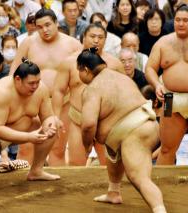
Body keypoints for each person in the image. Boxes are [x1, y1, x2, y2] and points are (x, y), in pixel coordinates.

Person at [77, 48, 166, 213]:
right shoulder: (121, 77)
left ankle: (159, 210)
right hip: (144, 125)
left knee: (139, 178)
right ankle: (113, 192)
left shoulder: (93, 89)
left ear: (86, 70)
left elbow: (88, 124)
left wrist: (87, 145)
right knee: (113, 152)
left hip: (136, 133)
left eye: (79, 71)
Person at [0, 58, 61, 197]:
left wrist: (50, 125)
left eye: (38, 82)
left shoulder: (40, 89)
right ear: (18, 79)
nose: (35, 86)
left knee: (53, 124)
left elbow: (48, 116)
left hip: (18, 127)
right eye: (31, 83)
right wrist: (29, 137)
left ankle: (36, 171)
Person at [10, 8, 82, 166]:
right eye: (40, 27)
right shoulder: (28, 43)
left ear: (56, 23)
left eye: (48, 25)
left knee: (57, 148)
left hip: (64, 102)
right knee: (26, 148)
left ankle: (58, 189)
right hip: (32, 100)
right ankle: (20, 187)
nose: (45, 30)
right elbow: (14, 72)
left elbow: (81, 78)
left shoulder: (73, 45)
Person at [52, 23, 124, 166]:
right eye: (92, 36)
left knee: (110, 164)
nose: (96, 40)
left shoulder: (115, 64)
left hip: (106, 120)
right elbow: (59, 90)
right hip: (78, 119)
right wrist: (55, 116)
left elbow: (124, 92)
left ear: (106, 39)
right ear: (83, 38)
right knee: (75, 163)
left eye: (100, 37)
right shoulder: (69, 62)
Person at [145, 3, 188, 165]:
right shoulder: (163, 43)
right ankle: (161, 189)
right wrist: (157, 85)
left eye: (185, 20)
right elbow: (149, 68)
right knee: (166, 148)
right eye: (178, 20)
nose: (181, 23)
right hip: (170, 98)